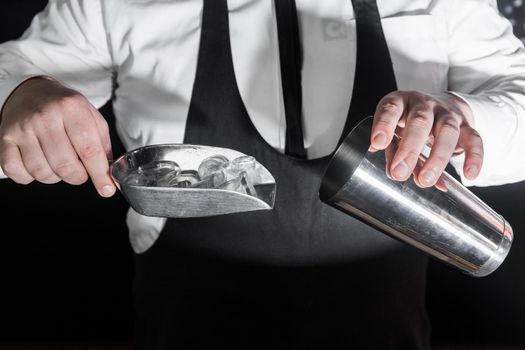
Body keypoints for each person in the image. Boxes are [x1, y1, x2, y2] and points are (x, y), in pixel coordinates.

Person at [1, 0, 524, 349]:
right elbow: (15, 70)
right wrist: (19, 96)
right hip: (183, 320)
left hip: (387, 323)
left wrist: (465, 117)